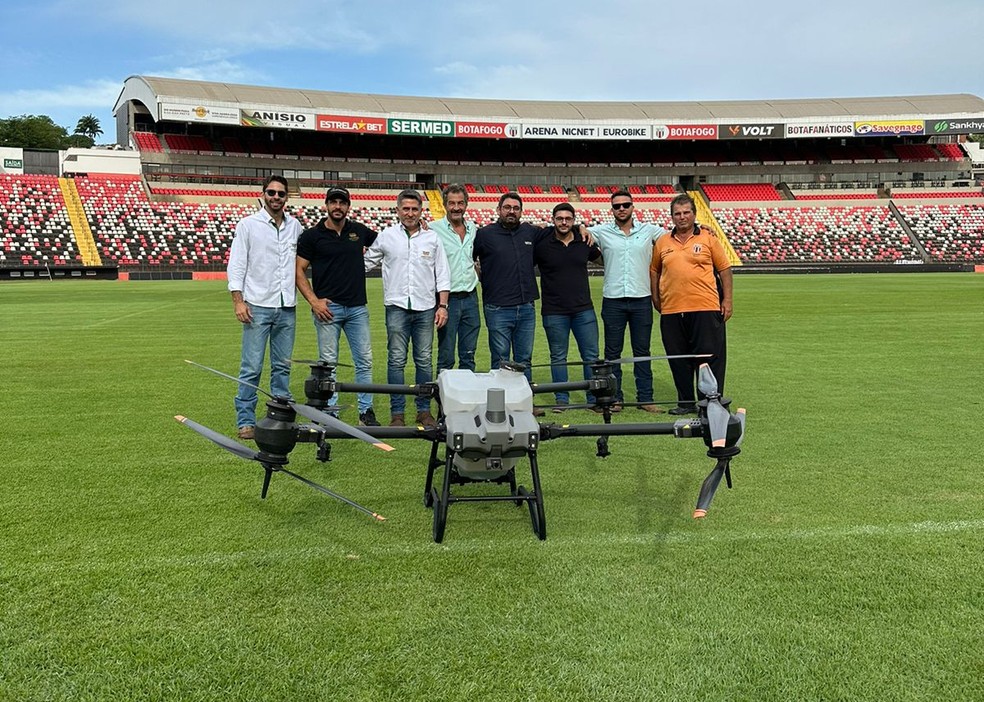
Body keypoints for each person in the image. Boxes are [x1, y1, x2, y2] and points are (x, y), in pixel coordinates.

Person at [364, 189, 450, 428]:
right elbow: (365, 263)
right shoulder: (386, 236)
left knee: (424, 360)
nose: (410, 213)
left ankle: (423, 411)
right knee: (396, 360)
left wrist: (443, 305)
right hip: (397, 307)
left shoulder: (432, 239)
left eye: (414, 209)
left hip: (425, 307)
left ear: (421, 211)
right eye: (406, 209)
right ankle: (397, 414)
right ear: (398, 210)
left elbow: (442, 274)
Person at [295, 186, 380, 426]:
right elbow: (298, 270)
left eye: (342, 203)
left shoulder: (359, 231)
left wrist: (420, 227)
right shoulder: (312, 236)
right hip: (327, 310)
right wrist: (313, 301)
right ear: (326, 205)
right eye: (333, 202)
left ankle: (366, 411)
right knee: (328, 363)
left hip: (357, 309)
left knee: (364, 361)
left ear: (348, 206)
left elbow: (388, 242)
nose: (338, 207)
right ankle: (330, 412)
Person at [227, 175, 303, 439]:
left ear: (286, 198)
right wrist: (238, 300)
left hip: (287, 306)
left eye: (281, 194)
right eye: (271, 192)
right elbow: (237, 264)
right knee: (252, 366)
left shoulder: (295, 226)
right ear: (263, 194)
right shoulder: (248, 225)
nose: (276, 197)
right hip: (257, 305)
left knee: (282, 366)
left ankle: (279, 416)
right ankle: (245, 419)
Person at [650, 193, 733, 415]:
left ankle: (710, 402)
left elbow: (724, 270)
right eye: (677, 213)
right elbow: (655, 270)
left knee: (708, 358)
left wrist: (727, 300)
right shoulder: (663, 242)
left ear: (694, 214)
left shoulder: (708, 238)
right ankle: (685, 403)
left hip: (705, 307)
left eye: (686, 212)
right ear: (672, 217)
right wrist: (656, 298)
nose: (682, 217)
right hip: (672, 310)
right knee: (678, 359)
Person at [588, 190, 666, 413]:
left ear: (633, 207)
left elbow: (675, 236)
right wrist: (580, 227)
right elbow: (578, 230)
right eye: (617, 206)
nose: (621, 209)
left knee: (642, 351)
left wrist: (702, 229)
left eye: (625, 205)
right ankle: (615, 398)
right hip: (613, 300)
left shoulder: (649, 230)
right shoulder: (601, 231)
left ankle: (645, 398)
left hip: (641, 298)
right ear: (611, 209)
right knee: (613, 353)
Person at [533, 203, 603, 411]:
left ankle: (593, 398)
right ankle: (561, 399)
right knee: (558, 356)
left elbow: (602, 259)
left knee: (591, 356)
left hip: (584, 309)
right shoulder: (542, 243)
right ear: (553, 219)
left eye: (568, 219)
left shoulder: (584, 240)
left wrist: (585, 229)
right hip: (554, 311)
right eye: (559, 218)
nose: (564, 222)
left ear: (574, 220)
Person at [473, 192, 540, 382]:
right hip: (497, 307)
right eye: (507, 207)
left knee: (525, 358)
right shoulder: (484, 234)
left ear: (521, 211)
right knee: (500, 358)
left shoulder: (530, 232)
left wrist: (581, 228)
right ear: (499, 210)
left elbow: (559, 230)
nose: (512, 211)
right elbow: (466, 259)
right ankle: (501, 402)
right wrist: (478, 274)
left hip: (526, 306)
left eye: (516, 208)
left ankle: (524, 401)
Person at [429, 184, 480, 373]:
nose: (456, 207)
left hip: (471, 298)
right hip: (447, 299)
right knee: (446, 354)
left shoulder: (473, 228)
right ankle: (444, 400)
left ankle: (466, 398)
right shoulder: (432, 229)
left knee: (468, 353)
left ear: (466, 204)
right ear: (444, 204)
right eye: (451, 203)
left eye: (460, 203)